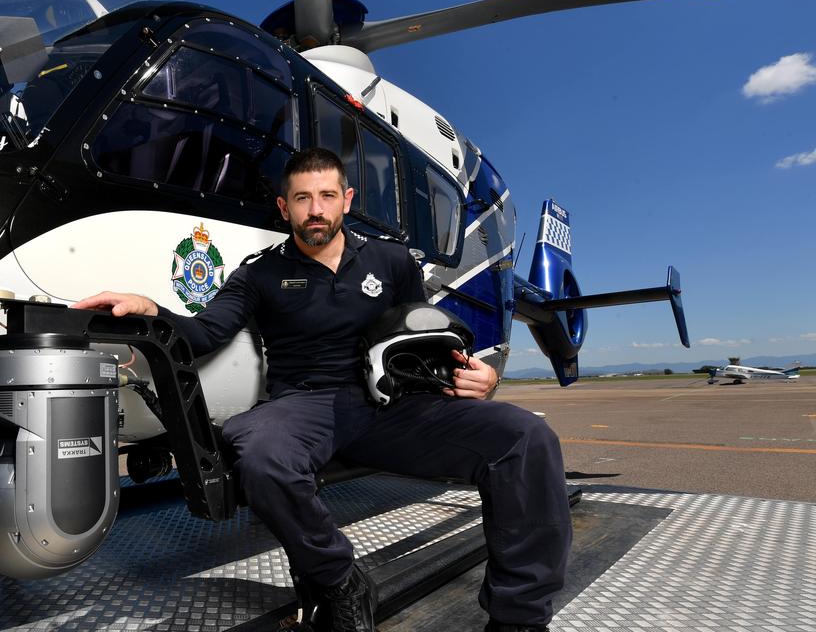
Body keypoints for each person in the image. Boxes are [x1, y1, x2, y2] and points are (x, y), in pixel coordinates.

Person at [73, 148, 571, 632]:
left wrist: (478, 376)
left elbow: (424, 338)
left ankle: (519, 618)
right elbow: (204, 333)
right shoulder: (259, 272)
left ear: (347, 199)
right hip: (303, 406)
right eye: (304, 198)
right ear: (284, 207)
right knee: (263, 458)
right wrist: (150, 308)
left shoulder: (392, 261)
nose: (317, 209)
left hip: (392, 405)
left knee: (524, 438)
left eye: (327, 195)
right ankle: (340, 582)